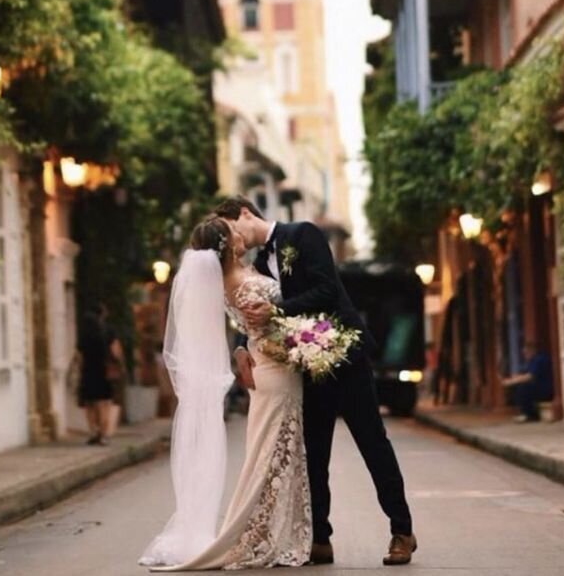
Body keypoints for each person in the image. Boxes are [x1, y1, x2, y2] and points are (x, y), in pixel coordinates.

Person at [215, 195, 417, 567]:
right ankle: (320, 538)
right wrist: (243, 344)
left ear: (245, 213)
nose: (233, 241)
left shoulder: (302, 234)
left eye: (230, 229)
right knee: (314, 453)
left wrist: (277, 310)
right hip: (304, 364)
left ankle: (401, 531)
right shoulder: (258, 263)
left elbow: (326, 290)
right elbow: (252, 312)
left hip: (345, 356)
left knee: (373, 444)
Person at [140, 217, 311, 570]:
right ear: (226, 244)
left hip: (268, 367)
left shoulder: (228, 281)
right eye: (231, 231)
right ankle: (246, 535)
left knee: (275, 455)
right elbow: (271, 322)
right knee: (268, 459)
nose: (238, 232)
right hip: (275, 371)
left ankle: (268, 533)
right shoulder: (243, 285)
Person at [76, 302, 123, 446]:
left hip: (87, 371)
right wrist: (120, 364)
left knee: (90, 403)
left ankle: (93, 432)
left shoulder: (84, 333)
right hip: (104, 370)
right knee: (103, 403)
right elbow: (115, 351)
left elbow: (79, 356)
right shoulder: (108, 331)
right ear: (102, 315)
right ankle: (103, 434)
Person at [502, 341, 554, 423]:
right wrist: (513, 378)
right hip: (537, 387)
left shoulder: (540, 359)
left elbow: (530, 376)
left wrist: (513, 381)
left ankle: (529, 414)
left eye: (526, 353)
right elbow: (524, 373)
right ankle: (524, 411)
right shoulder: (531, 361)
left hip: (545, 389)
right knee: (517, 387)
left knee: (523, 387)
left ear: (532, 350)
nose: (525, 355)